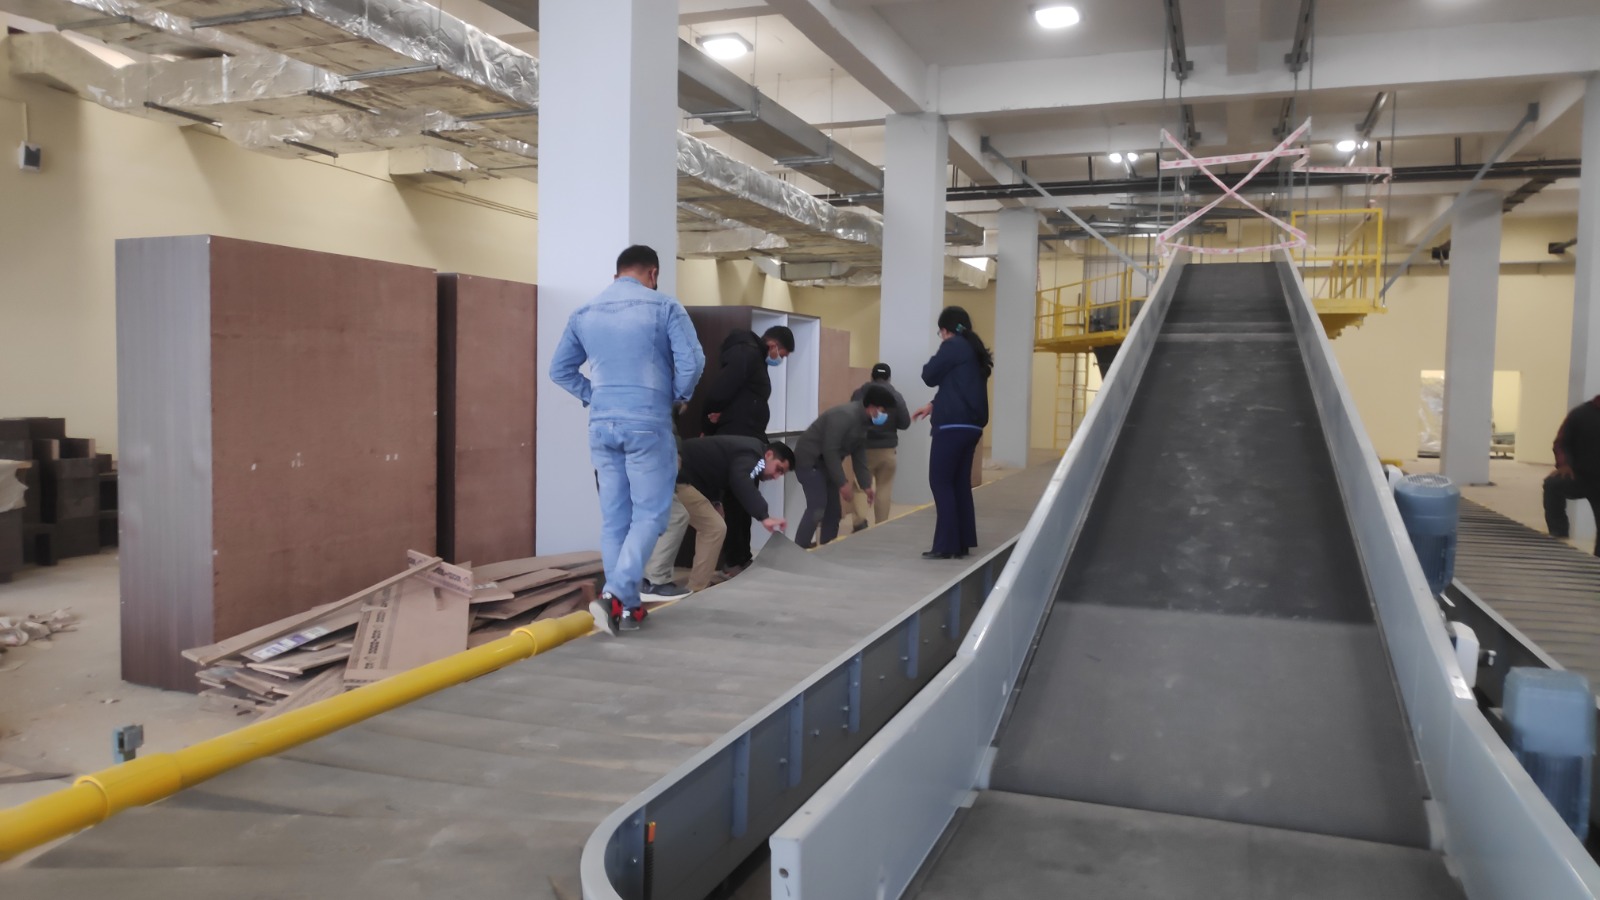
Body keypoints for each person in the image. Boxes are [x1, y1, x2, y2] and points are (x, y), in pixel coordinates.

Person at [549, 245, 705, 635]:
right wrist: (676, 398)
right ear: (653, 273)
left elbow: (559, 370)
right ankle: (615, 594)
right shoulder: (665, 307)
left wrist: (593, 396)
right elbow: (693, 362)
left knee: (615, 518)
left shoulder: (584, 312)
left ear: (617, 272)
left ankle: (629, 609)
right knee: (651, 515)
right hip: (647, 422)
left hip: (602, 425)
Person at [642, 437, 795, 595]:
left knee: (711, 526)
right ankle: (671, 583)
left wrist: (716, 501)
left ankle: (692, 585)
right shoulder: (754, 456)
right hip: (677, 476)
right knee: (709, 526)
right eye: (778, 469)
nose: (776, 476)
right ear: (769, 455)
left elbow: (715, 471)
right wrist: (764, 516)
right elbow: (740, 481)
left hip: (678, 474)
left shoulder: (751, 452)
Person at [702, 324, 796, 575]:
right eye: (782, 354)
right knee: (737, 501)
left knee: (741, 503)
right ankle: (734, 561)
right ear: (773, 345)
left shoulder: (755, 357)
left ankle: (741, 558)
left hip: (746, 434)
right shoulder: (747, 353)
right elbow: (722, 388)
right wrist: (709, 421)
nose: (780, 359)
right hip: (738, 436)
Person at [913, 306, 992, 560]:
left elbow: (929, 374)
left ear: (946, 330)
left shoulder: (953, 346)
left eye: (941, 332)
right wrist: (934, 404)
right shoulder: (974, 352)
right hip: (971, 427)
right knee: (959, 484)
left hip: (951, 427)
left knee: (940, 482)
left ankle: (946, 545)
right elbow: (960, 387)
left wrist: (944, 347)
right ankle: (963, 542)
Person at [794, 386, 896, 548]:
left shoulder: (864, 423)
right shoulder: (845, 416)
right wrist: (842, 483)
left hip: (827, 464)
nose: (884, 416)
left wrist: (866, 485)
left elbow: (859, 454)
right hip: (810, 460)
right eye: (883, 411)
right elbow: (830, 449)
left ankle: (828, 550)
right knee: (818, 506)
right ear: (871, 407)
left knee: (834, 513)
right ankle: (798, 551)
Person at [847, 363, 911, 531]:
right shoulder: (896, 396)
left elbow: (852, 417)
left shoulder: (859, 393)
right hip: (887, 450)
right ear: (889, 378)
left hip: (863, 449)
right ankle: (882, 525)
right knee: (884, 487)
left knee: (861, 486)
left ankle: (859, 521)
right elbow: (905, 423)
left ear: (872, 377)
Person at [1544, 395, 1600, 555]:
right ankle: (1558, 535)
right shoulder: (1581, 414)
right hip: (1580, 477)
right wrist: (1564, 464)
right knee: (1553, 484)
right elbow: (1561, 442)